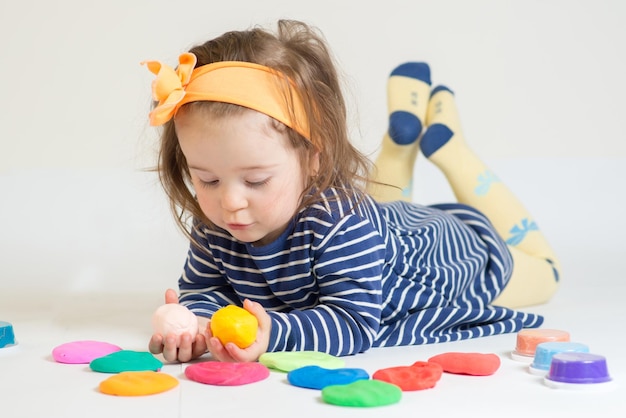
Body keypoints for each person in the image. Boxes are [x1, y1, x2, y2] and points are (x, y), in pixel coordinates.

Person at [143, 19, 560, 363]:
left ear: (312, 158)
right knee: (383, 201)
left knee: (545, 271)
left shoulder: (340, 224)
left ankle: (454, 150)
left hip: (449, 254)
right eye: (207, 179)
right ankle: (399, 143)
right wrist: (197, 324)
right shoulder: (214, 219)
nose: (229, 201)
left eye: (255, 181)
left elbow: (353, 324)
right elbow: (204, 289)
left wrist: (275, 332)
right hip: (381, 225)